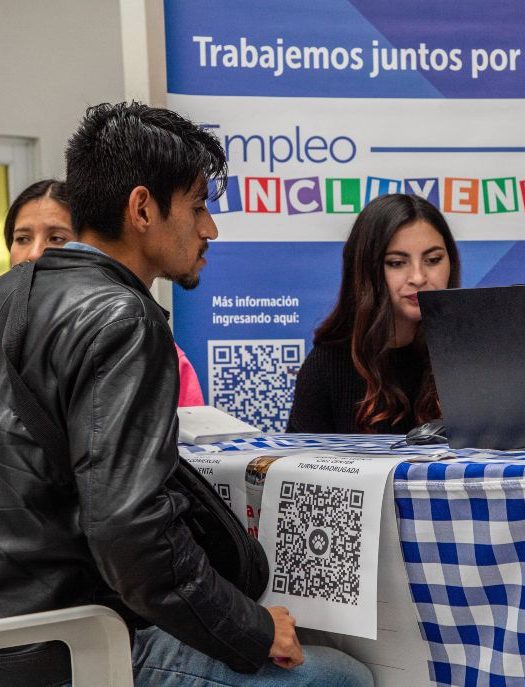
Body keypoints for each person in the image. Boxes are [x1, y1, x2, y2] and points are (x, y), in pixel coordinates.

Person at [0, 102, 372, 687]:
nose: (210, 229)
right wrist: (250, 628)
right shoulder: (123, 319)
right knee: (339, 678)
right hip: (69, 645)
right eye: (198, 206)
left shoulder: (11, 293)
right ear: (143, 208)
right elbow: (131, 534)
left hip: (21, 632)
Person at [3, 178, 205, 407]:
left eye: (57, 238)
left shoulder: (145, 348)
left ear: (89, 247)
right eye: (22, 239)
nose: (35, 253)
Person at [287, 193, 460, 434]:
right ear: (366, 270)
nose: (419, 277)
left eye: (433, 259)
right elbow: (295, 468)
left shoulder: (473, 356)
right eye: (397, 263)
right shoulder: (326, 366)